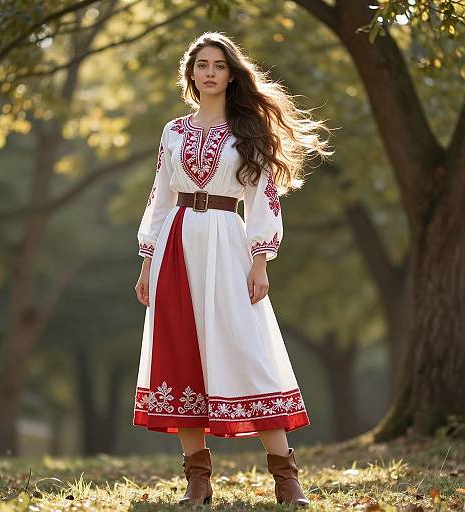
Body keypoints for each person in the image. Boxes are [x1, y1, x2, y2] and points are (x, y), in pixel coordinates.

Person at [133, 31, 333, 507]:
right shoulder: (173, 132)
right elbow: (160, 196)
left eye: (218, 65)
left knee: (247, 350)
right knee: (180, 352)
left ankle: (286, 477)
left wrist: (260, 260)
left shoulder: (249, 132)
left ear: (231, 73)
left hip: (227, 242)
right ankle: (197, 481)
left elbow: (263, 198)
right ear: (191, 73)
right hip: (175, 246)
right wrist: (146, 263)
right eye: (201, 64)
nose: (209, 72)